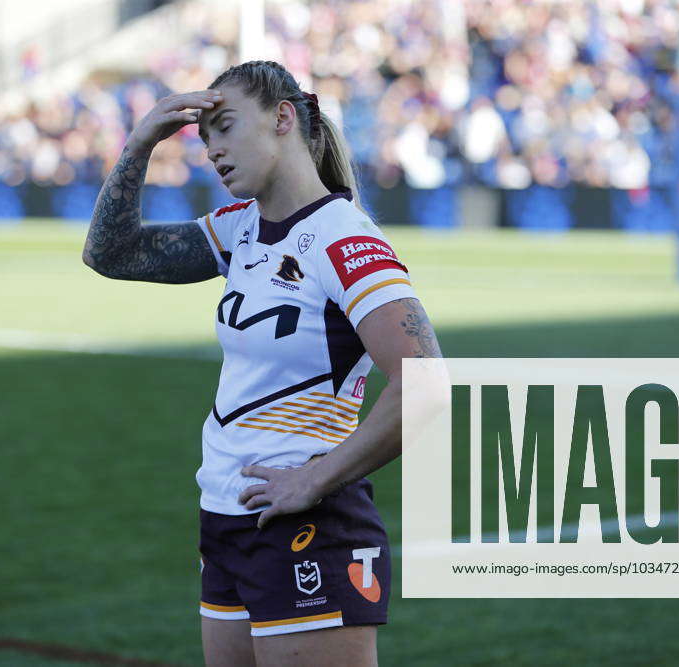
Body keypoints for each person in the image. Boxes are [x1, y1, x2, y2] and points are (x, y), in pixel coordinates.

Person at [82, 60, 442, 667]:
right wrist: (140, 143)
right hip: (226, 516)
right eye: (203, 138)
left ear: (282, 119)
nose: (212, 151)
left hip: (306, 524)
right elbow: (110, 253)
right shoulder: (240, 228)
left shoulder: (344, 239)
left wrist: (316, 478)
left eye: (224, 127)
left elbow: (427, 383)